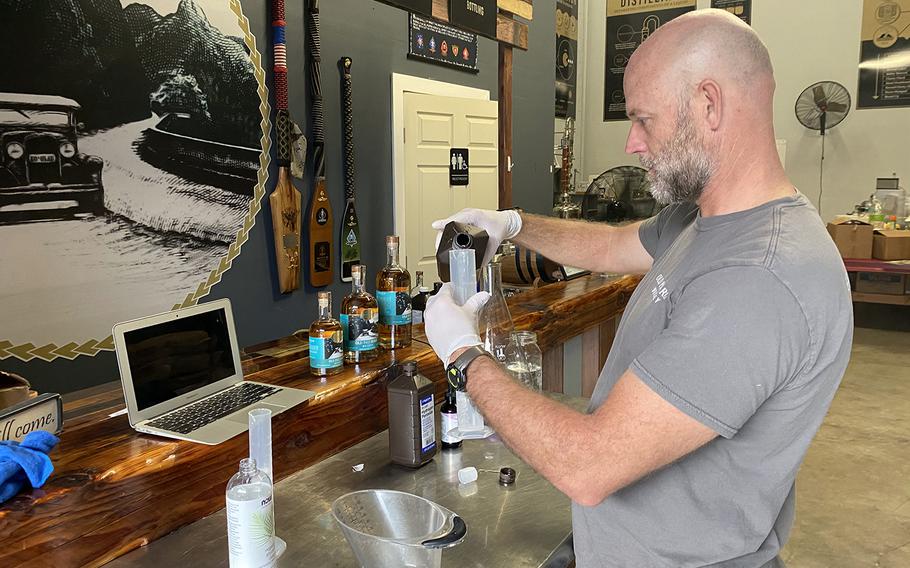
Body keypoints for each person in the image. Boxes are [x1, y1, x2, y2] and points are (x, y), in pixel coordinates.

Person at [424, 9, 852, 568]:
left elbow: (589, 466)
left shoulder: (760, 277)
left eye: (644, 120)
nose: (632, 142)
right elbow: (609, 247)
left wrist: (462, 355)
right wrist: (513, 224)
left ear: (709, 104)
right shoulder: (704, 221)